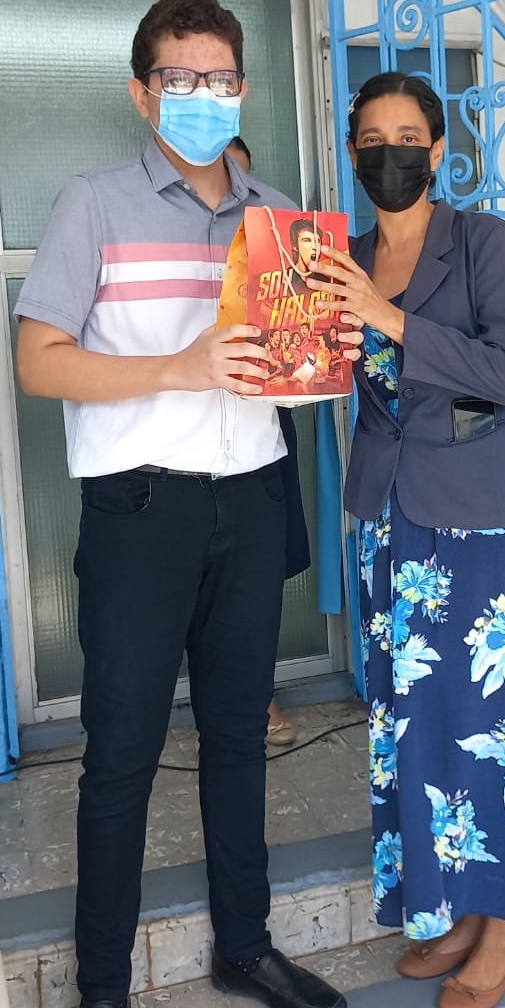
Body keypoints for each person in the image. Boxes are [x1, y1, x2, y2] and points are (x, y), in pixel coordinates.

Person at [15, 0, 362, 1008]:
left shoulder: (281, 218)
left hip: (250, 500)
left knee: (237, 735)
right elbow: (38, 360)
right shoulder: (95, 203)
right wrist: (178, 366)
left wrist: (327, 349)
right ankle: (102, 991)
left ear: (243, 88)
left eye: (219, 78)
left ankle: (244, 945)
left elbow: (295, 372)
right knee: (119, 753)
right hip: (139, 511)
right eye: (180, 79)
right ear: (142, 92)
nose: (202, 96)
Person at [311, 71, 505, 1008]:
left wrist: (389, 319)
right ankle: (450, 904)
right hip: (390, 514)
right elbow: (333, 377)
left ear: (438, 151)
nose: (390, 154)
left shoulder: (482, 240)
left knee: (492, 724)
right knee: (413, 723)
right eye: (371, 140)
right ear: (353, 153)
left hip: (478, 512)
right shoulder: (342, 256)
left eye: (407, 138)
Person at [226, 136, 302, 748]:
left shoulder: (275, 242)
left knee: (256, 575)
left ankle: (258, 689)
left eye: (243, 179)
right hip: (177, 453)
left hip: (263, 428)